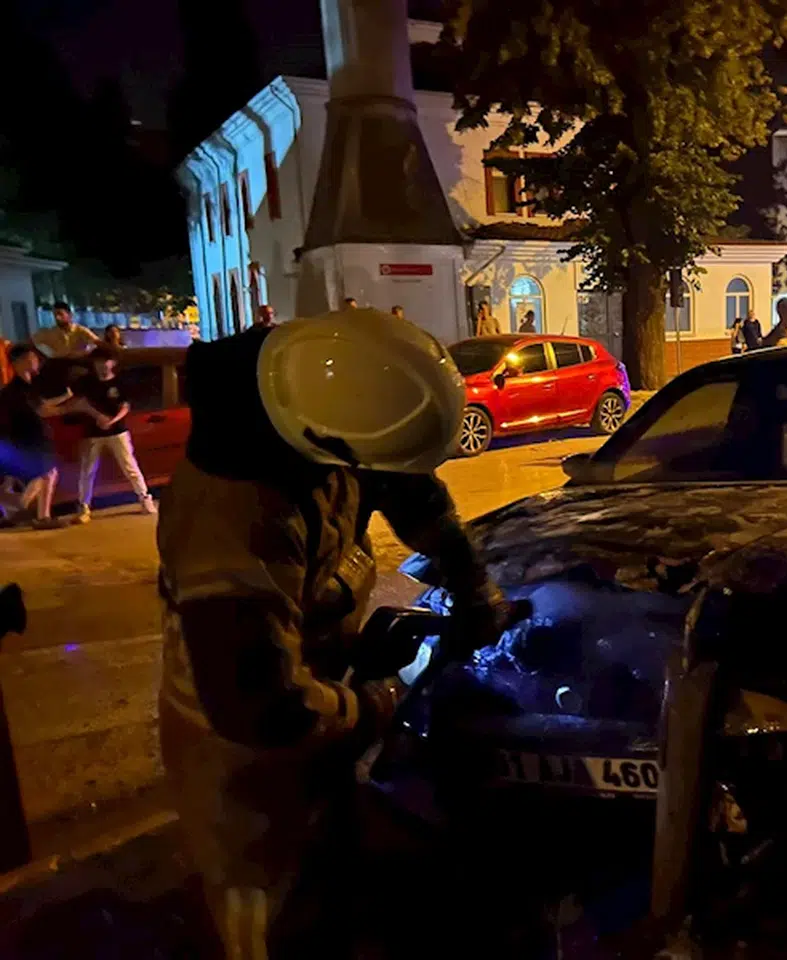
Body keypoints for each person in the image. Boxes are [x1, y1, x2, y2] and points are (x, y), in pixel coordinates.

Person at [156, 309, 517, 957]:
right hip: (241, 746)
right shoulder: (237, 511)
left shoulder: (335, 406)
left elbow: (414, 498)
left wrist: (474, 588)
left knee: (338, 858)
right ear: (326, 441)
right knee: (272, 901)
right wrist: (376, 705)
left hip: (318, 683)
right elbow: (259, 704)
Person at [72, 346, 156, 522]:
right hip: (92, 432)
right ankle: (83, 507)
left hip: (118, 431)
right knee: (87, 471)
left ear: (113, 363)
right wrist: (98, 416)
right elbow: (81, 402)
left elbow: (125, 406)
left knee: (129, 466)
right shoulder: (86, 382)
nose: (102, 365)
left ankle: (144, 499)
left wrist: (112, 420)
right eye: (98, 361)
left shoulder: (120, 382)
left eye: (106, 361)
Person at [0, 344, 77, 529]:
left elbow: (41, 404)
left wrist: (65, 398)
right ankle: (26, 512)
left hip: (34, 438)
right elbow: (41, 410)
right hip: (28, 439)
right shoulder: (15, 391)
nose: (36, 362)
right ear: (20, 362)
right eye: (32, 358)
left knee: (47, 474)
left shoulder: (28, 387)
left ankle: (36, 515)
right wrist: (72, 407)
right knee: (46, 474)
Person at [32, 302, 99, 359]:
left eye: (60, 314)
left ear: (70, 315)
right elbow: (32, 342)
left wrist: (82, 349)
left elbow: (96, 343)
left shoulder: (81, 331)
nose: (57, 318)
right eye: (55, 315)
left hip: (77, 365)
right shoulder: (49, 332)